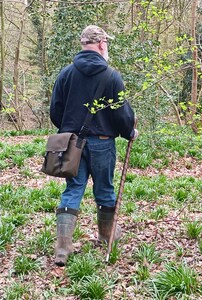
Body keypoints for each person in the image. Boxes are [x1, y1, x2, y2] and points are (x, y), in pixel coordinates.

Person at [50, 25, 138, 267]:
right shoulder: (112, 76)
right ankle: (106, 236)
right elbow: (121, 114)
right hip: (102, 144)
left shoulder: (66, 74)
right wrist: (129, 131)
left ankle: (63, 248)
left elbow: (55, 111)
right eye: (106, 43)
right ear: (101, 44)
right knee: (105, 190)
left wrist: (71, 130)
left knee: (73, 189)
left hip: (72, 144)